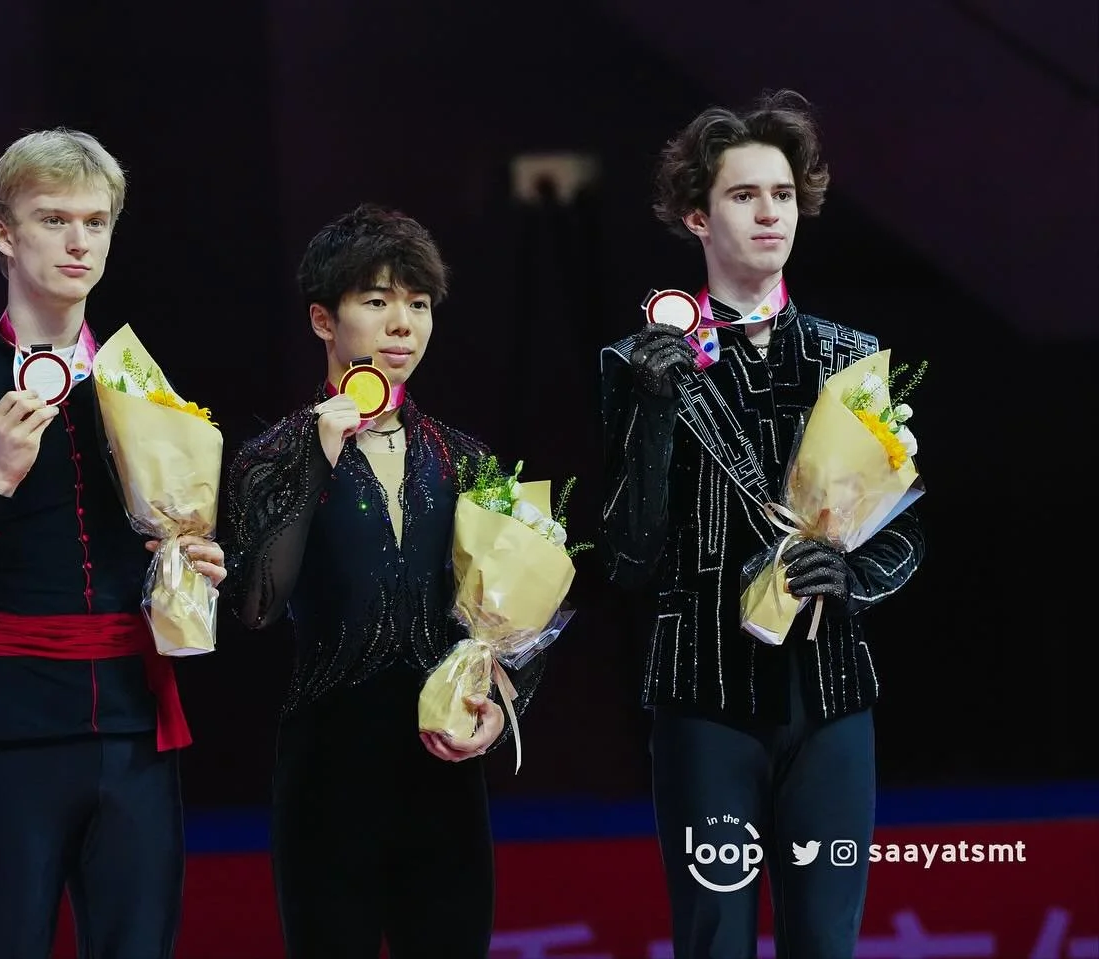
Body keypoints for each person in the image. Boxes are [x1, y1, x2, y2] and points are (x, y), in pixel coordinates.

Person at [599, 91, 926, 958]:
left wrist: (855, 577)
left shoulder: (850, 358)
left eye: (782, 194)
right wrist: (657, 416)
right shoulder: (639, 364)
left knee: (826, 939)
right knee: (715, 941)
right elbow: (626, 556)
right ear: (697, 216)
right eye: (745, 196)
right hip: (704, 700)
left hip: (831, 699)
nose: (770, 212)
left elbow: (905, 531)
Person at [0, 127, 227, 959]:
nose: (79, 242)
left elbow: (173, 550)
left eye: (96, 221)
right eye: (53, 220)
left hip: (135, 729)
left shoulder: (142, 388)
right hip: (13, 735)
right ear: (4, 232)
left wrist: (198, 565)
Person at [223, 203, 546, 958]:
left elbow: (518, 617)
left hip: (443, 776)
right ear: (321, 321)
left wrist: (505, 701)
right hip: (329, 775)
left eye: (419, 304)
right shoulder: (271, 455)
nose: (403, 323)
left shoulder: (468, 459)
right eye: (376, 301)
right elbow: (257, 604)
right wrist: (314, 457)